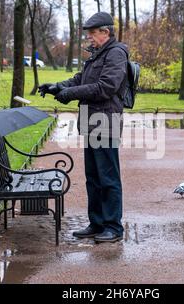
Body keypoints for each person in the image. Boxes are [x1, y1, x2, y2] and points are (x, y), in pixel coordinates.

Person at [39, 12, 128, 243]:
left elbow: (105, 87)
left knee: (108, 177)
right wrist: (57, 87)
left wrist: (70, 94)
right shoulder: (98, 54)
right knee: (93, 177)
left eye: (92, 34)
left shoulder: (116, 54)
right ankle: (97, 223)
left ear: (105, 32)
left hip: (106, 122)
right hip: (92, 121)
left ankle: (113, 227)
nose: (89, 38)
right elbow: (81, 79)